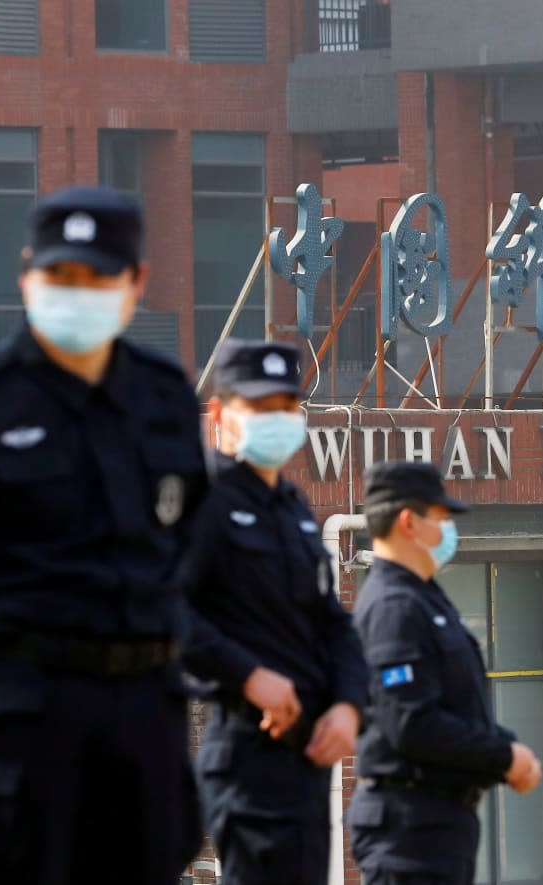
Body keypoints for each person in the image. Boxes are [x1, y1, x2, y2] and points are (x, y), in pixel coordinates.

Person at [0, 184, 207, 885]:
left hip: (145, 718)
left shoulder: (164, 397)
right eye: (60, 275)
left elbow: (187, 541)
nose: (77, 293)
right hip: (29, 720)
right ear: (27, 272)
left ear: (136, 283)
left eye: (98, 276)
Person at [180, 338, 368, 885]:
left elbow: (333, 622)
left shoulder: (294, 509)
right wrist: (250, 676)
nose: (278, 419)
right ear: (219, 412)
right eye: (260, 407)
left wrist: (349, 706)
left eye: (287, 406)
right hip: (247, 755)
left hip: (306, 758)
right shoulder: (201, 499)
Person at [347, 459, 543, 884]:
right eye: (440, 518)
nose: (448, 531)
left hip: (435, 824)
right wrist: (503, 756)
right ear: (408, 522)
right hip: (410, 826)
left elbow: (456, 704)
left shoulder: (424, 599)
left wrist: (505, 749)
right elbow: (410, 722)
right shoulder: (393, 607)